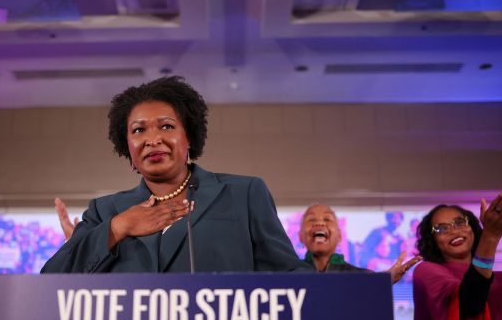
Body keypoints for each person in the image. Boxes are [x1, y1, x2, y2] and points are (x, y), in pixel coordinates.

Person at [42, 76, 309, 274]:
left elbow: (287, 276)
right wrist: (117, 228)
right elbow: (52, 280)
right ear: (127, 146)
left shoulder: (244, 193)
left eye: (166, 126)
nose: (152, 139)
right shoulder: (105, 211)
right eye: (138, 131)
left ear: (189, 137)